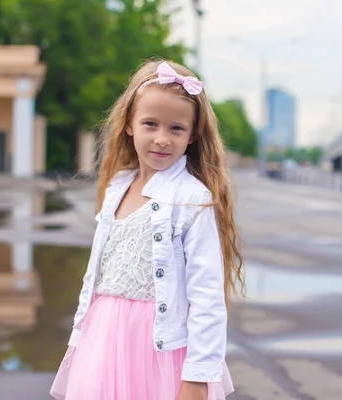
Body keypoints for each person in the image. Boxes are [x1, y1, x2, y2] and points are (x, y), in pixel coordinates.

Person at [50, 60, 244, 400]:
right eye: (150, 124)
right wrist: (79, 339)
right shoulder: (117, 187)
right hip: (103, 341)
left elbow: (207, 298)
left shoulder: (192, 199)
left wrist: (198, 378)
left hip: (160, 353)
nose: (161, 139)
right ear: (129, 124)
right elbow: (95, 275)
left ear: (194, 134)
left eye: (176, 129)